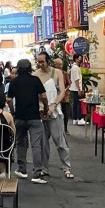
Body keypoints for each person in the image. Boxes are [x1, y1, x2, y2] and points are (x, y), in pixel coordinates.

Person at [7, 59, 49, 184]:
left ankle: (22, 170)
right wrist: (46, 108)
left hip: (20, 117)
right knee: (36, 145)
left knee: (21, 143)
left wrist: (13, 111)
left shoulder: (14, 82)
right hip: (34, 117)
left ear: (18, 69)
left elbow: (9, 99)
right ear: (30, 68)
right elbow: (44, 96)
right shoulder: (35, 80)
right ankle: (37, 174)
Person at [35, 52, 74, 180]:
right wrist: (42, 108)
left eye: (42, 62)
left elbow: (62, 91)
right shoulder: (35, 75)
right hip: (41, 112)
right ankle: (44, 168)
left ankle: (67, 168)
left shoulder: (57, 73)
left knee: (60, 141)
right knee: (43, 143)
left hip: (55, 111)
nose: (40, 64)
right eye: (38, 62)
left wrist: (53, 105)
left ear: (48, 61)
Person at [54, 57, 71, 134]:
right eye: (59, 65)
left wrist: (65, 89)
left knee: (65, 113)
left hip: (64, 97)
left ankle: (65, 128)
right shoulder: (52, 73)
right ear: (55, 65)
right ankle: (57, 129)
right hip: (55, 97)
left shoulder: (65, 73)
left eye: (61, 64)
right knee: (56, 113)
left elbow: (69, 84)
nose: (60, 66)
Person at [69, 54, 87, 126]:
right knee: (78, 104)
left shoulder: (74, 67)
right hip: (76, 88)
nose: (81, 60)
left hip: (74, 88)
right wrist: (79, 89)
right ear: (76, 59)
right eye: (80, 58)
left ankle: (75, 118)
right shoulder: (75, 67)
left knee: (75, 104)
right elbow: (77, 79)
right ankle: (79, 119)